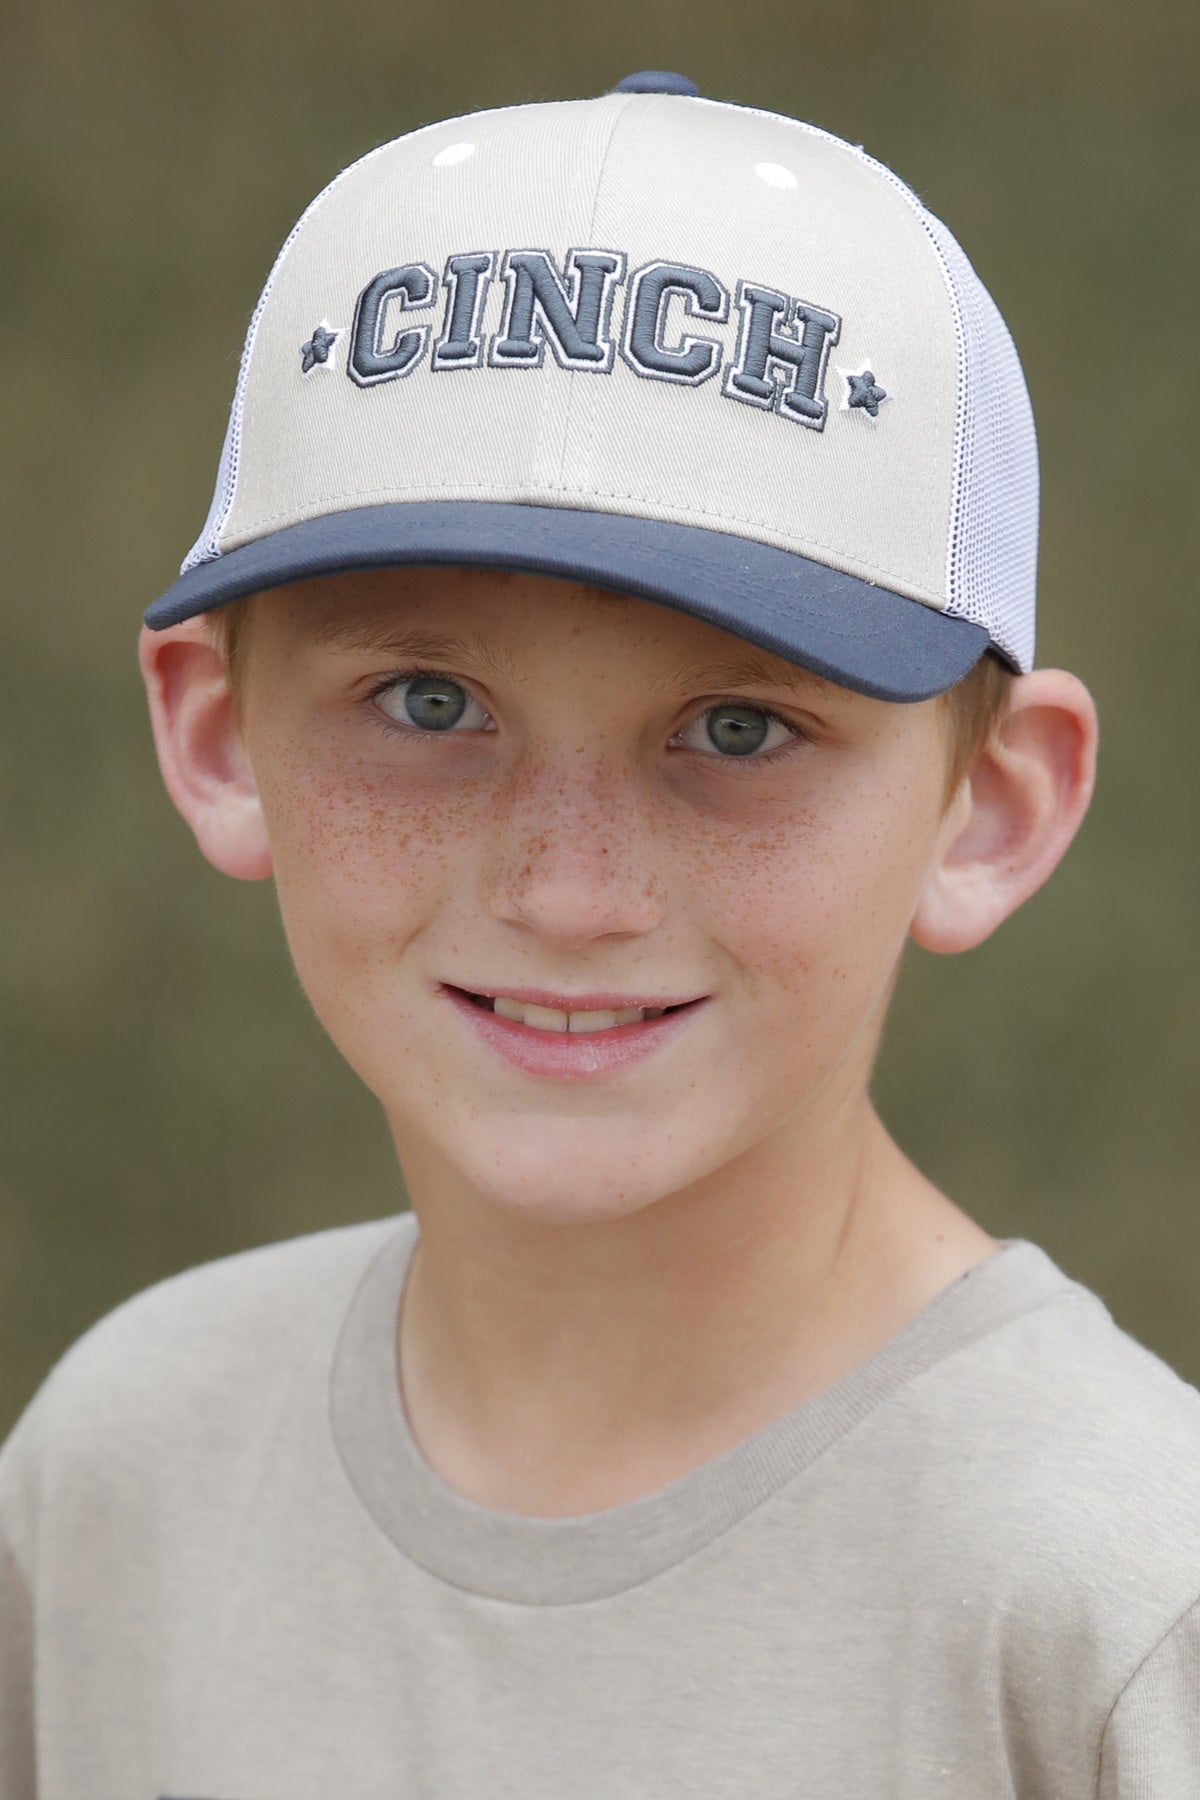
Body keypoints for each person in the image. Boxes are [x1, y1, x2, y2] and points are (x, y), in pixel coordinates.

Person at [2, 68, 1197, 1797]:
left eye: (736, 730)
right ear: (214, 737)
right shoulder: (124, 1473)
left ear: (992, 805)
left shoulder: (1111, 1613)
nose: (570, 890)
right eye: (428, 701)